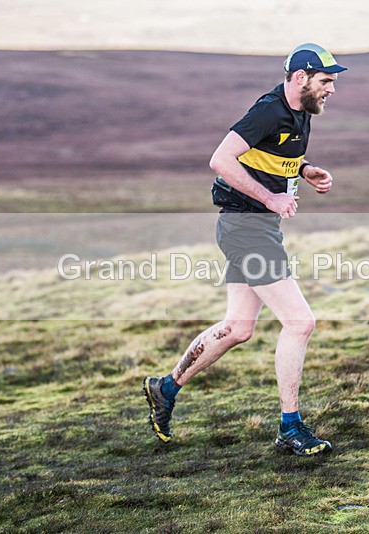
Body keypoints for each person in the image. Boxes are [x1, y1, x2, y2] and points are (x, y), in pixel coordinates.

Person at [143, 43, 346, 456]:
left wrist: (304, 171)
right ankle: (290, 427)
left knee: (238, 328)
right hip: (245, 227)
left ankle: (165, 388)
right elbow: (221, 159)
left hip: (254, 227)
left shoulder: (301, 112)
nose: (332, 90)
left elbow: (272, 155)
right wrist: (270, 199)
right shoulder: (269, 110)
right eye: (326, 81)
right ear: (301, 77)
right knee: (300, 322)